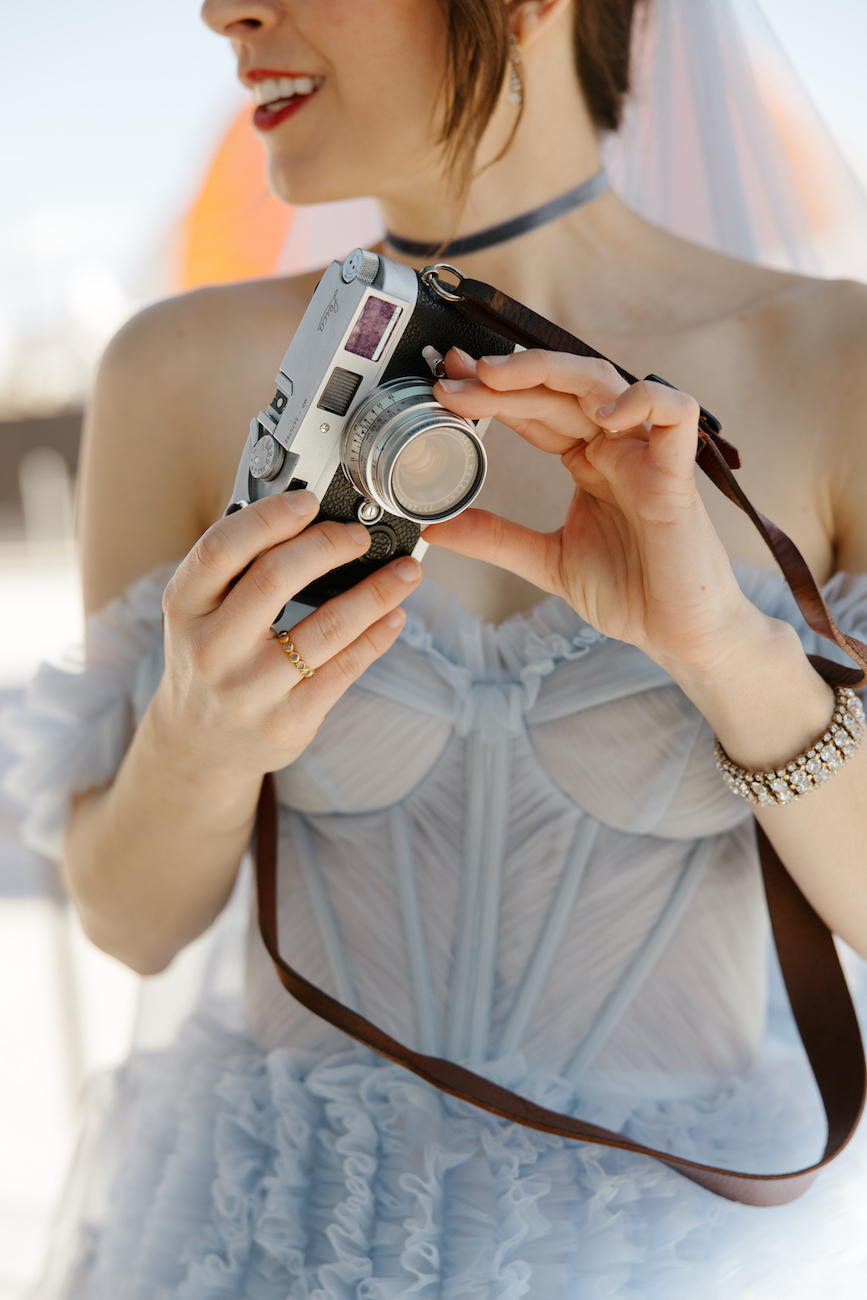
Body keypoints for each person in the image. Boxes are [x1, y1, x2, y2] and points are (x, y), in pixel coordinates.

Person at [7, 0, 867, 1294]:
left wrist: (724, 647)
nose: (221, 11)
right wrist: (201, 734)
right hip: (266, 1243)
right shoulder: (176, 370)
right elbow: (130, 924)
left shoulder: (836, 365)